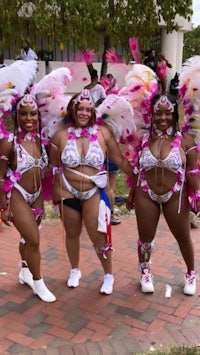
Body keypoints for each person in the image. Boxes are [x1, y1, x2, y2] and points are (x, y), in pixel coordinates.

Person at [49, 89, 134, 295]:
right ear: (73, 110)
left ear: (93, 111)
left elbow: (120, 159)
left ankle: (108, 275)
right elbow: (52, 168)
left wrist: (138, 176)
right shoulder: (60, 136)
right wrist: (54, 194)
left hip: (93, 192)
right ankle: (75, 270)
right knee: (72, 233)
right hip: (68, 192)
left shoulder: (103, 133)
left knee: (99, 236)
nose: (84, 113)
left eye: (88, 109)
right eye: (80, 109)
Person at [126, 94, 200, 296]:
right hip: (145, 193)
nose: (163, 118)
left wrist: (199, 196)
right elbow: (137, 170)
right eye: (158, 113)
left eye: (168, 113)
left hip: (175, 196)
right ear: (152, 115)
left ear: (175, 114)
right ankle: (145, 271)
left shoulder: (186, 141)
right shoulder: (144, 140)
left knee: (183, 236)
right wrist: (132, 193)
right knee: (145, 238)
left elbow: (193, 173)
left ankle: (191, 273)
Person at [0, 93, 56, 302]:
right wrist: (3, 207)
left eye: (33, 114)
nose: (29, 118)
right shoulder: (9, 143)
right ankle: (38, 282)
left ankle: (24, 271)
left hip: (37, 195)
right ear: (16, 116)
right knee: (33, 239)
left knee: (27, 238)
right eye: (23, 114)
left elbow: (46, 168)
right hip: (17, 196)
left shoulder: (41, 142)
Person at [104, 158, 121, 225]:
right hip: (114, 160)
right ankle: (110, 215)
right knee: (110, 188)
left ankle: (107, 214)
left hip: (103, 158)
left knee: (107, 188)